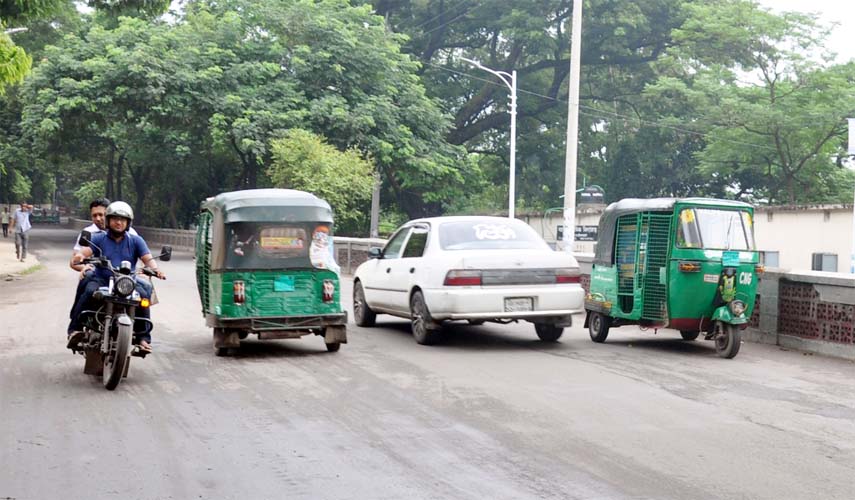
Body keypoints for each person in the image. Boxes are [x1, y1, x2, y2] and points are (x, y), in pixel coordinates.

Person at [68, 201, 165, 353]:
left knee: (144, 295)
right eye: (115, 219)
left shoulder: (135, 240)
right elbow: (85, 251)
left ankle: (143, 338)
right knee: (88, 290)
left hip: (127, 281)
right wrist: (79, 257)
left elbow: (147, 258)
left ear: (128, 222)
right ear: (108, 221)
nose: (118, 222)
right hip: (102, 280)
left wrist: (156, 270)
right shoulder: (98, 238)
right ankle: (75, 330)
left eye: (122, 220)